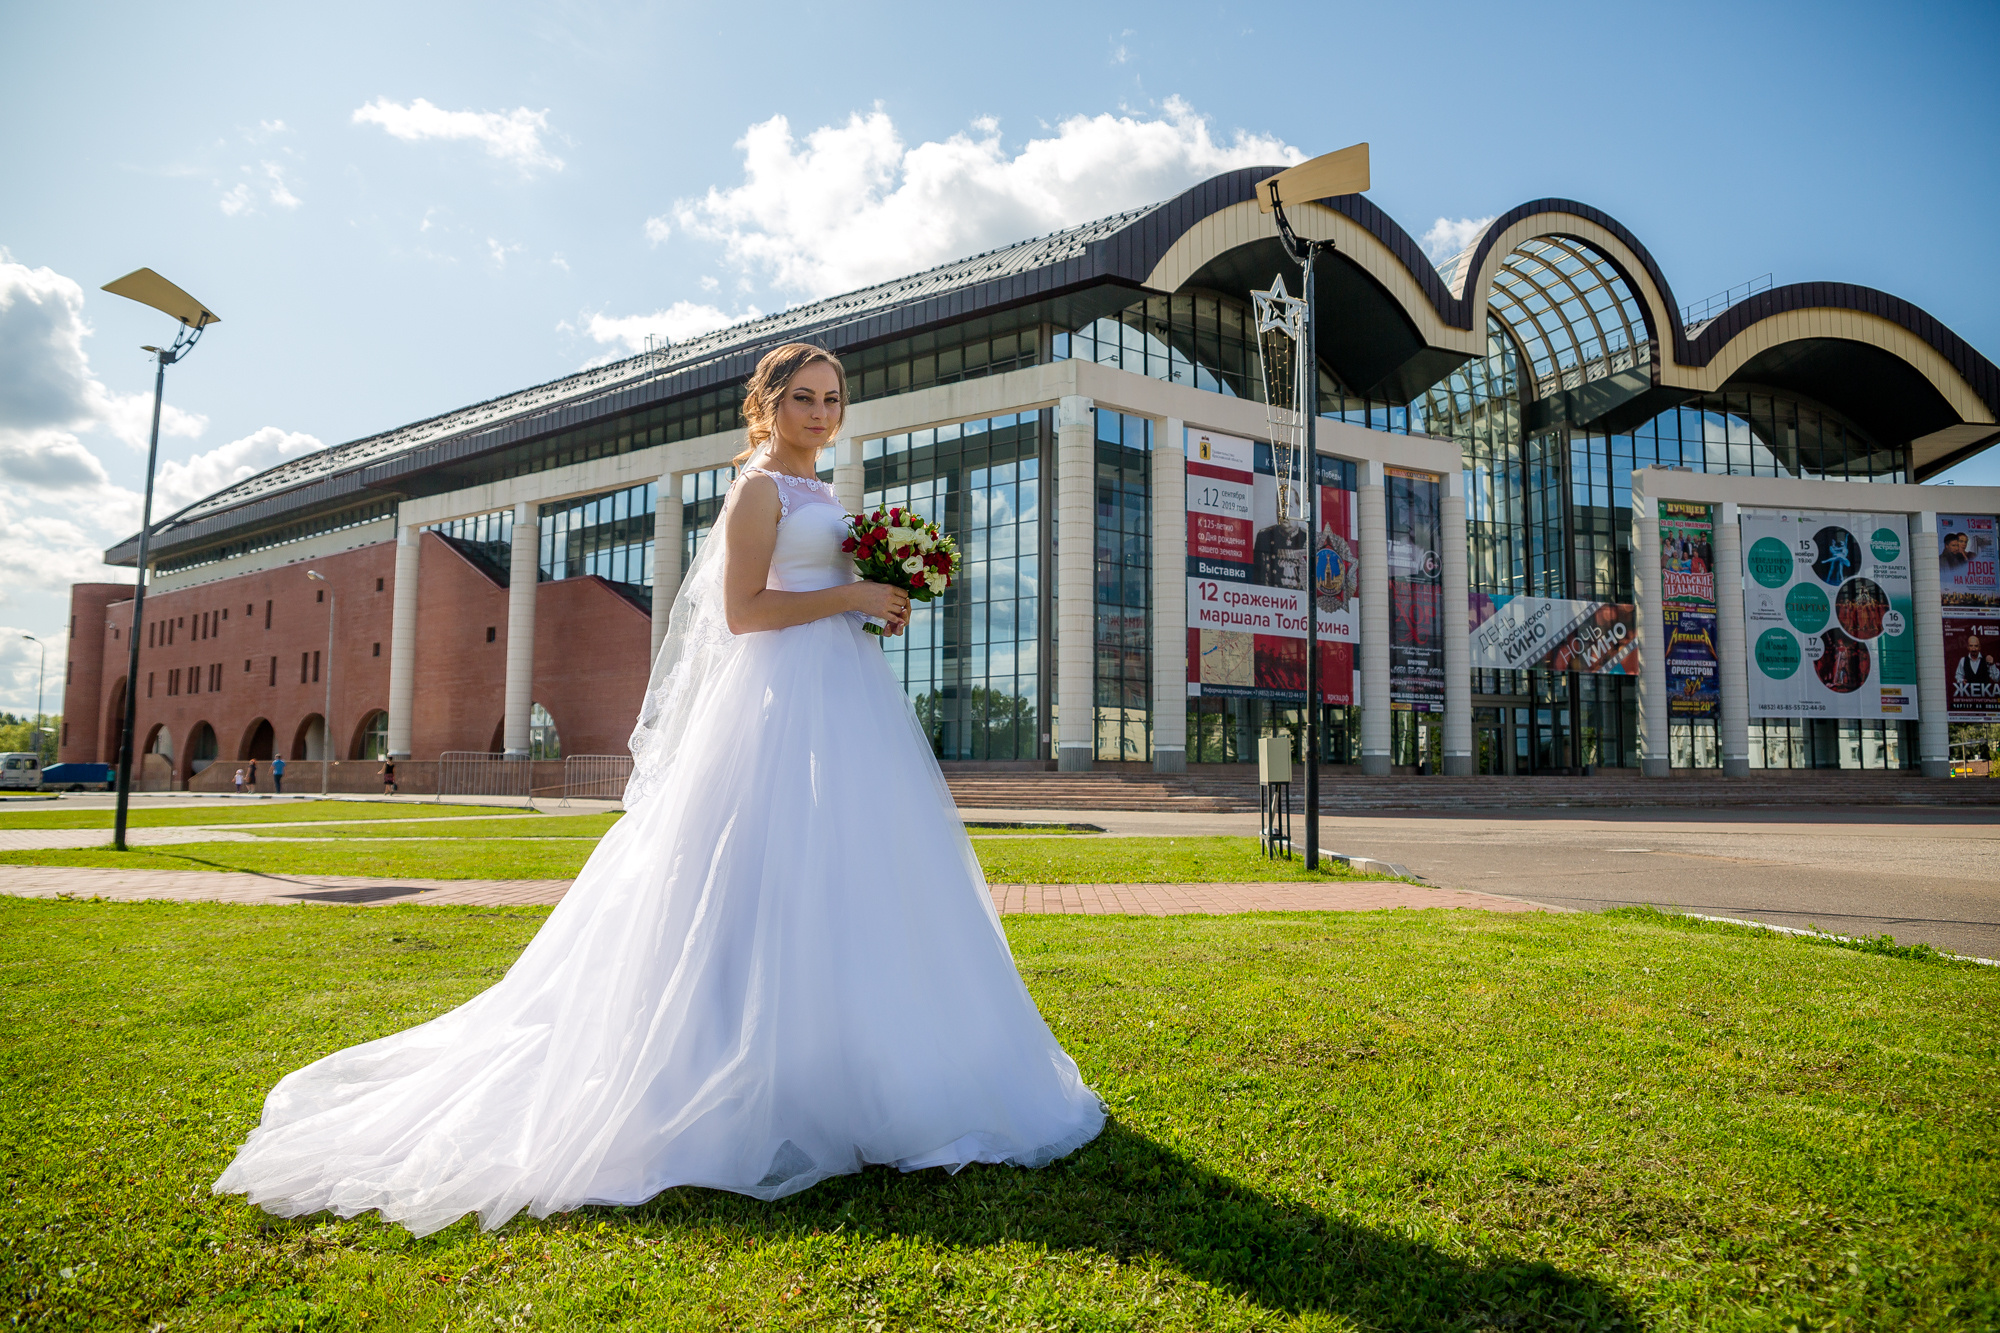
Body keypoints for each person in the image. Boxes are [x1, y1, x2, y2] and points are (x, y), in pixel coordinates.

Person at [213, 343, 1104, 1237]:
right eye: (804, 397)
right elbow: (743, 612)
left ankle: (863, 1055)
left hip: (843, 693)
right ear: (767, 403)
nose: (822, 413)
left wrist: (877, 599)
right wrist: (849, 597)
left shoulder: (824, 492)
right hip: (775, 700)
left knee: (850, 866)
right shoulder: (757, 491)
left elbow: (823, 588)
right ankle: (736, 1057)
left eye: (834, 398)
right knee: (753, 869)